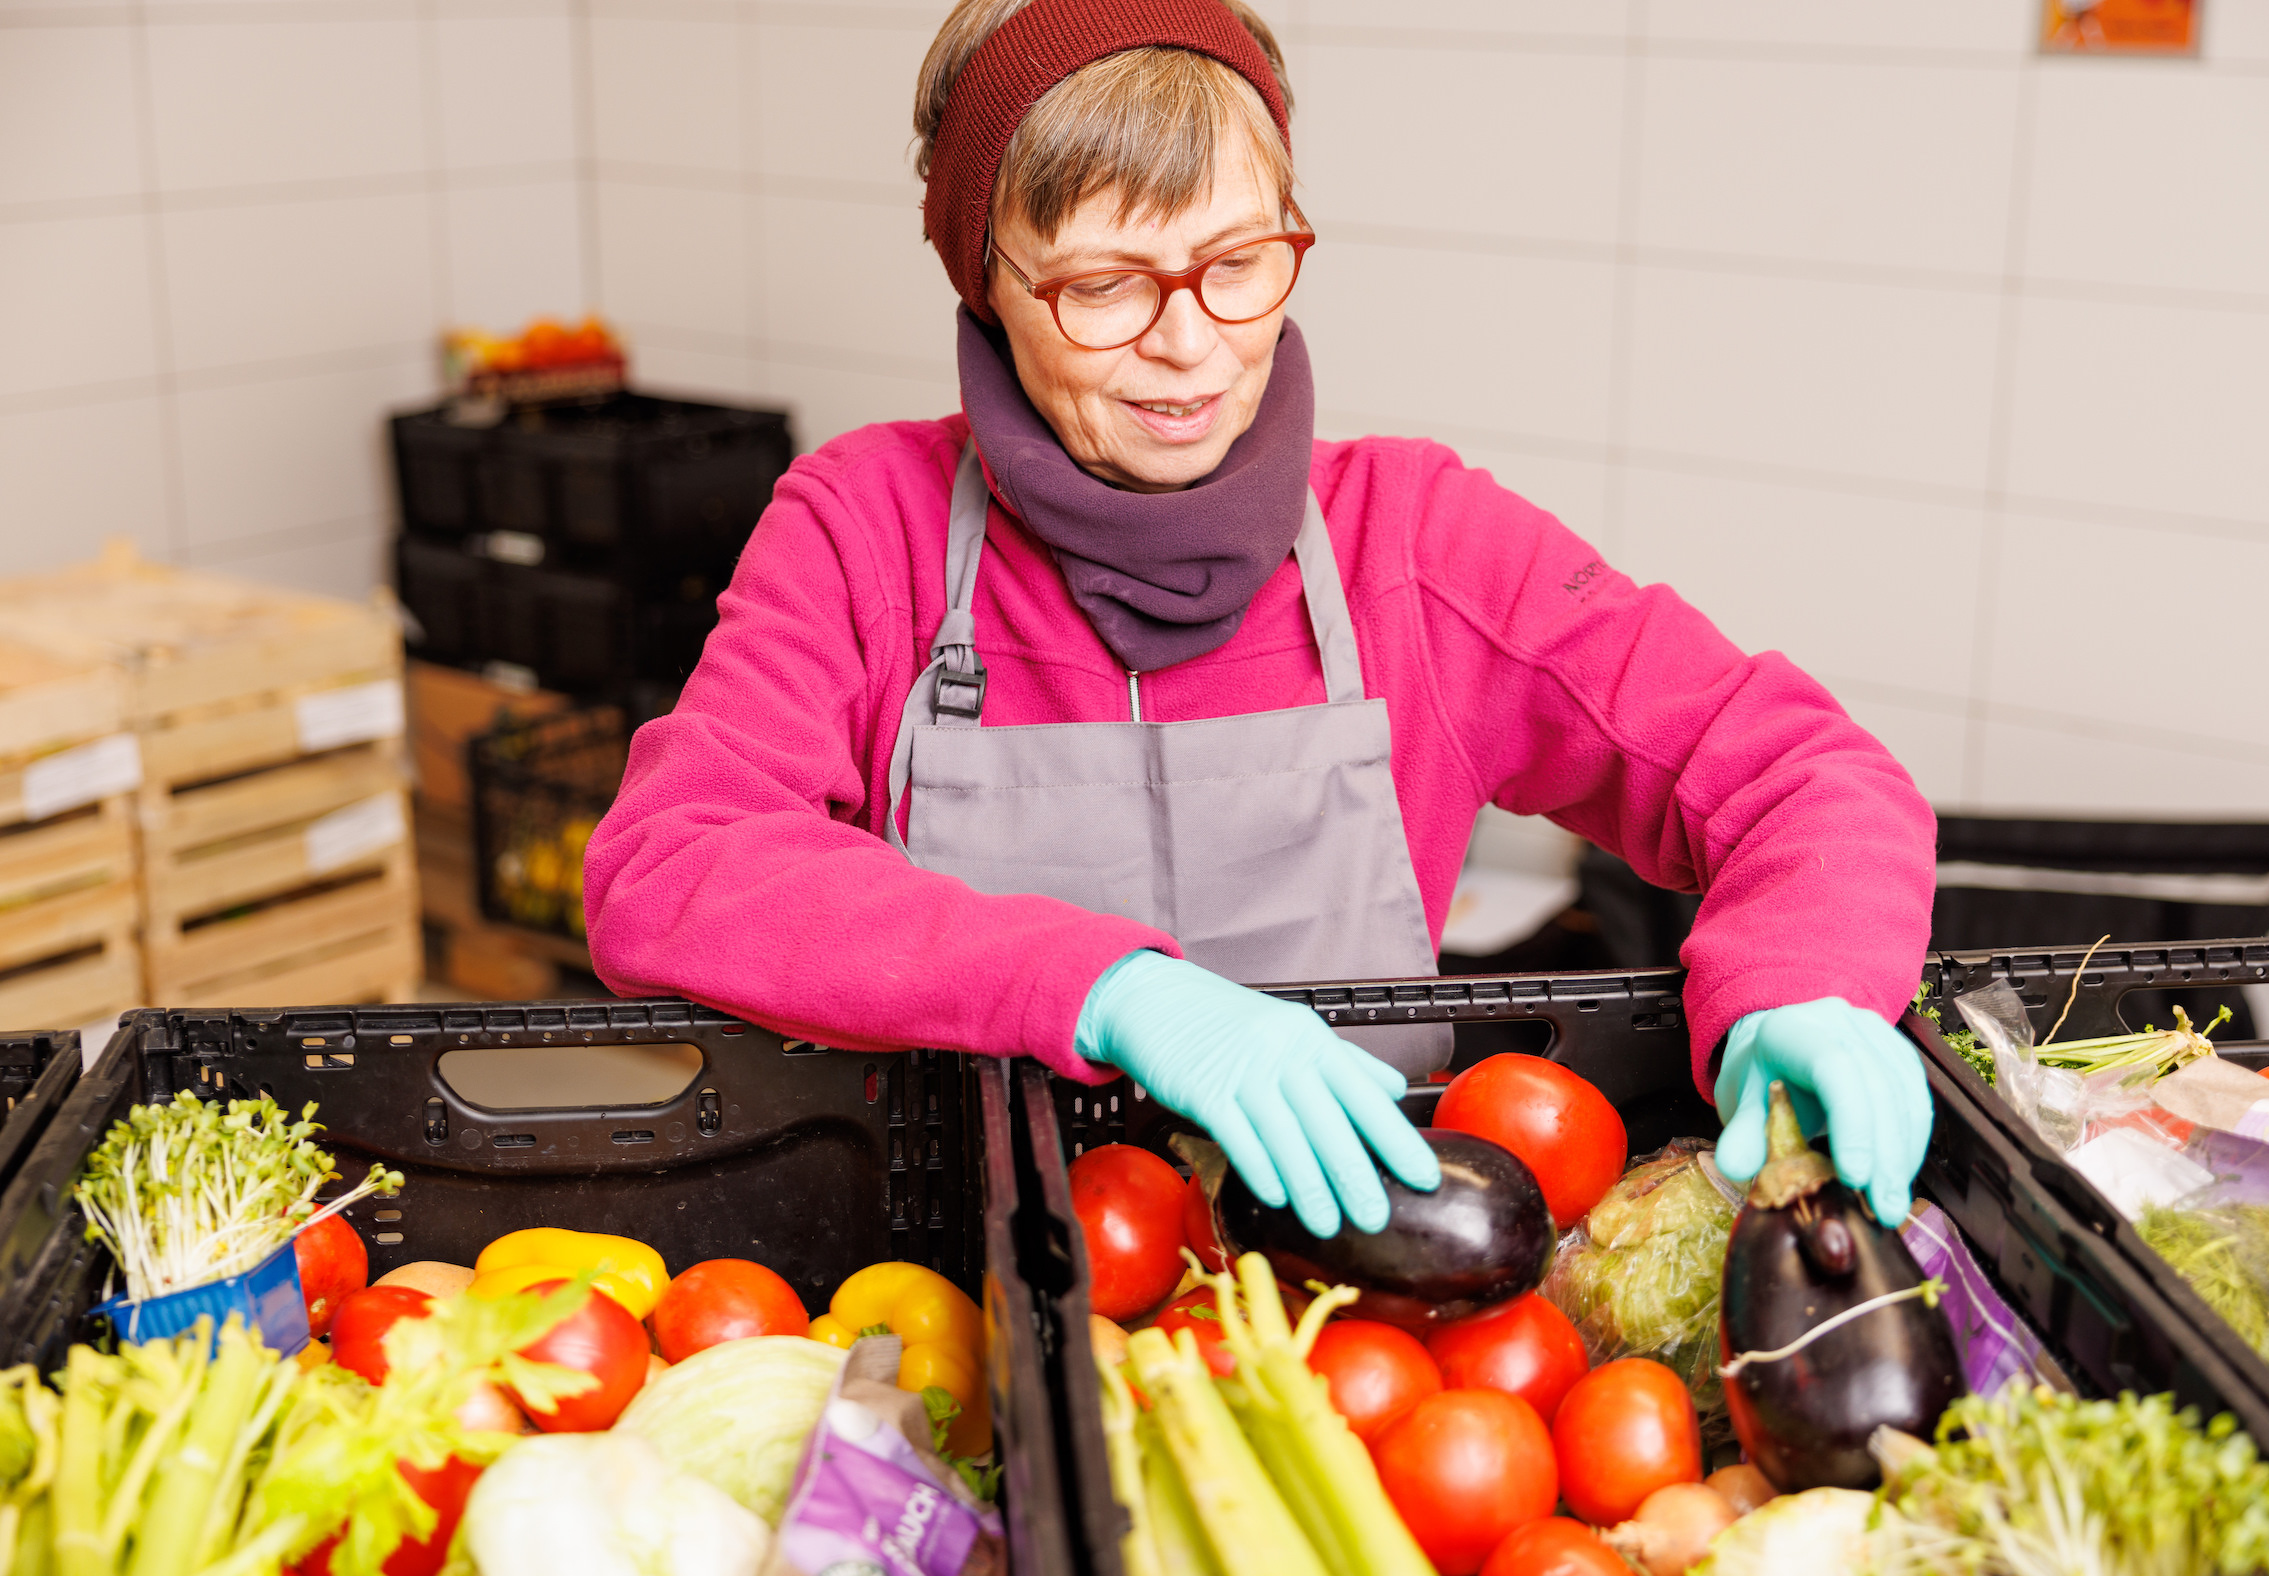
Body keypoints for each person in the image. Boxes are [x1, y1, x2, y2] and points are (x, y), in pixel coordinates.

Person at [583, 0, 1937, 1242]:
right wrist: (1107, 990)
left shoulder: (1417, 543)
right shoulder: (860, 527)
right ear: (987, 280)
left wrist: (1800, 984)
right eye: (1104, 285)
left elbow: (1795, 772)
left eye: (1235, 261)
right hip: (976, 1272)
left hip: (1372, 1282)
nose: (1189, 343)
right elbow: (671, 862)